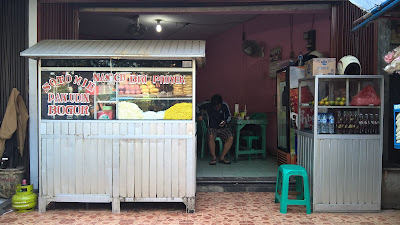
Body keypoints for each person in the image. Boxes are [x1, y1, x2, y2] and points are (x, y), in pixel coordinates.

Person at [197, 94, 233, 165]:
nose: (217, 108)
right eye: (215, 107)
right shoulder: (207, 104)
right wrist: (198, 115)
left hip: (222, 128)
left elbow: (229, 116)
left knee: (230, 137)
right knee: (211, 136)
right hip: (211, 128)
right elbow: (196, 106)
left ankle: (222, 157)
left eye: (218, 107)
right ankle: (213, 157)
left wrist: (225, 121)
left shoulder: (225, 105)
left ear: (221, 103)